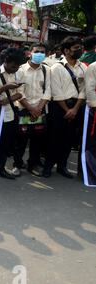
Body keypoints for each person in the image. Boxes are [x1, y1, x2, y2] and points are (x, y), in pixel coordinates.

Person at [43, 36, 87, 179]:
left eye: (80, 47)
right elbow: (56, 92)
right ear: (66, 51)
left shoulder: (83, 67)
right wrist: (67, 109)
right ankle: (48, 167)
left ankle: (62, 166)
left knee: (69, 139)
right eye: (76, 48)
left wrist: (75, 108)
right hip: (59, 107)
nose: (79, 50)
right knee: (55, 138)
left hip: (77, 106)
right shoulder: (56, 68)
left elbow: (84, 89)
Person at [12, 43, 51, 178]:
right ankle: (17, 165)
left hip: (40, 110)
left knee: (37, 141)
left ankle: (32, 165)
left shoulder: (47, 70)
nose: (39, 54)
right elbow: (19, 92)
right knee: (20, 140)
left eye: (42, 52)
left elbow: (48, 91)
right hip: (24, 109)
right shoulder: (20, 70)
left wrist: (38, 108)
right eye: (37, 51)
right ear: (30, 53)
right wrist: (30, 108)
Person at [0, 48, 26, 180]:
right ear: (6, 61)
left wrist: (7, 100)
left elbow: (20, 93)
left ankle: (0, 169)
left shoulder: (19, 73)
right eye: (13, 66)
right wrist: (6, 87)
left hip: (11, 114)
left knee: (6, 144)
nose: (15, 68)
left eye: (18, 66)